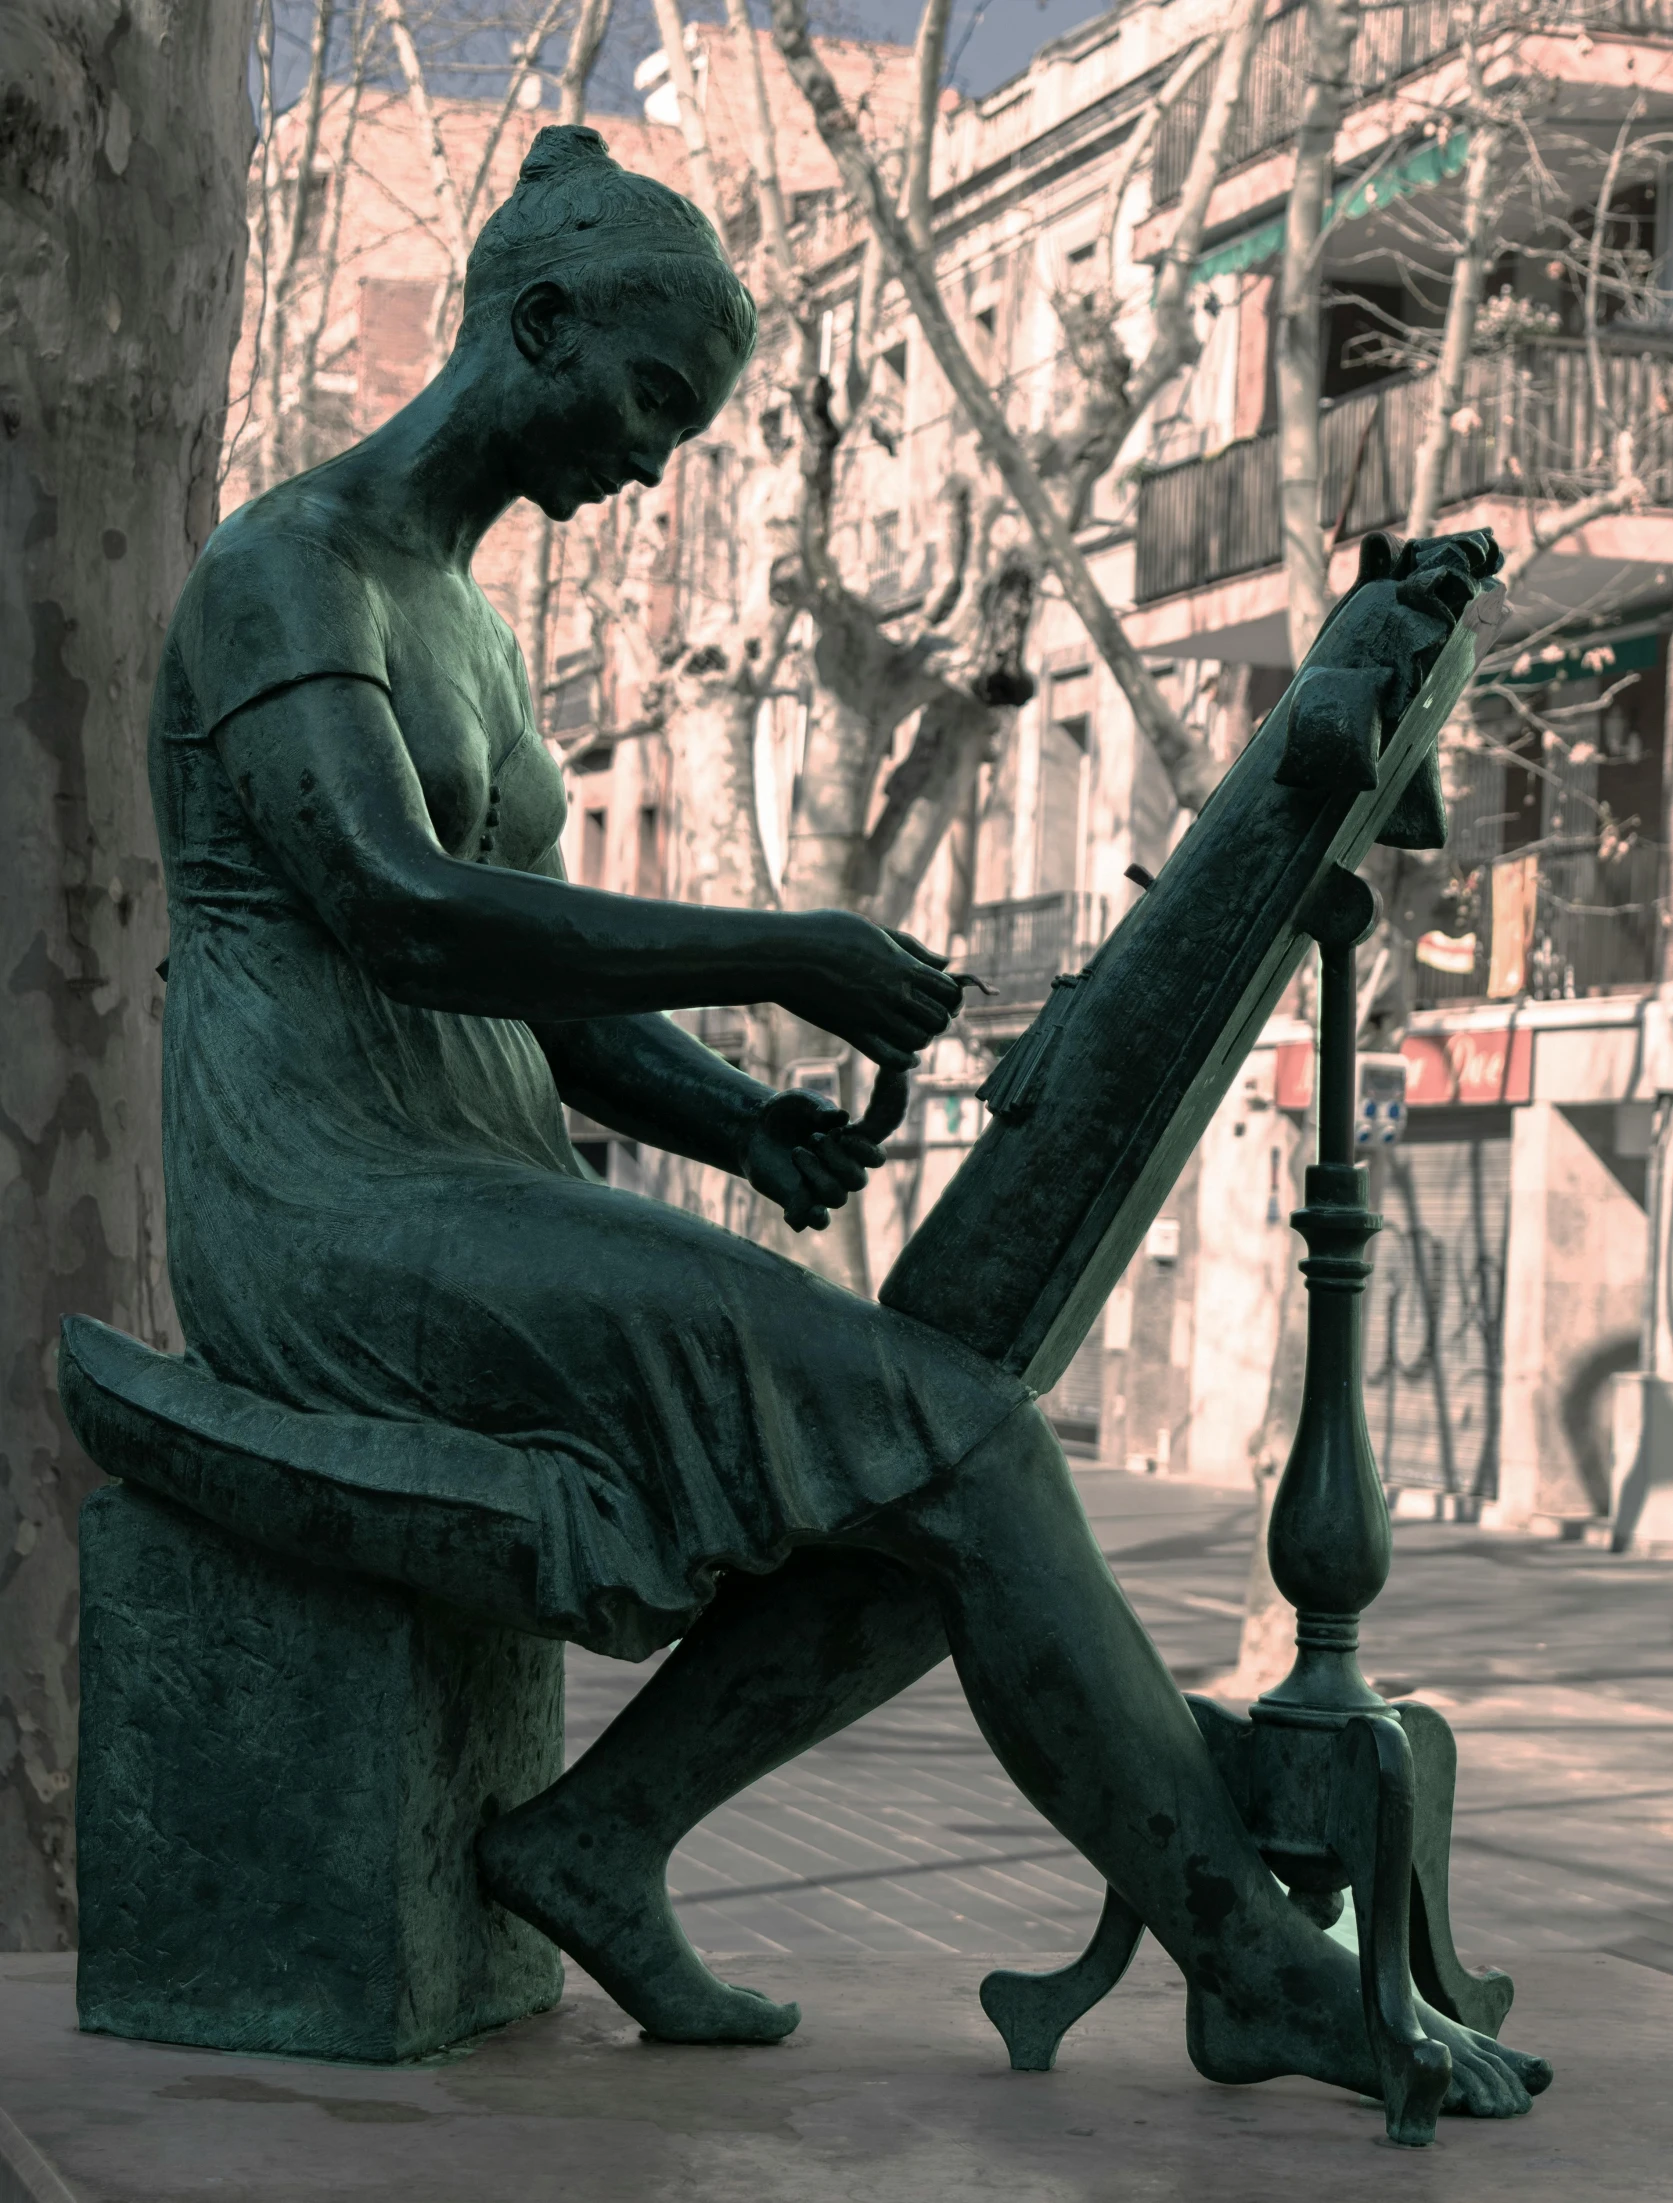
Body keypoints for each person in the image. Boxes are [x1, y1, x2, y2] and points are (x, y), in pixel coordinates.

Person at [150, 124, 1547, 2115]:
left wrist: (739, 1127)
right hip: (323, 1203)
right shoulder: (280, 577)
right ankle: (1241, 1956)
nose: (651, 458)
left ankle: (593, 1844)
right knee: (956, 1433)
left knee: (916, 1441)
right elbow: (398, 909)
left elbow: (527, 985)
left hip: (469, 1176)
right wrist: (773, 952)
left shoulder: (466, 625)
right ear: (533, 327)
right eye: (644, 401)